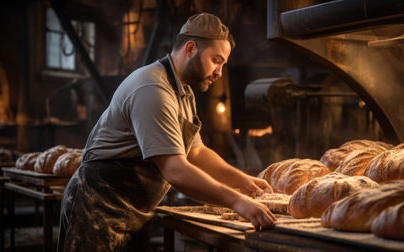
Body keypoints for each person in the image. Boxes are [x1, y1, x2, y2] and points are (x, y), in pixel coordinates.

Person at [57, 12, 276, 252]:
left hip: (132, 211)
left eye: (222, 63)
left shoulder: (183, 92)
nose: (219, 72)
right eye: (216, 60)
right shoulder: (153, 89)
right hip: (97, 207)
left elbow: (196, 153)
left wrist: (243, 182)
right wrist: (236, 201)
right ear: (191, 48)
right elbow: (175, 170)